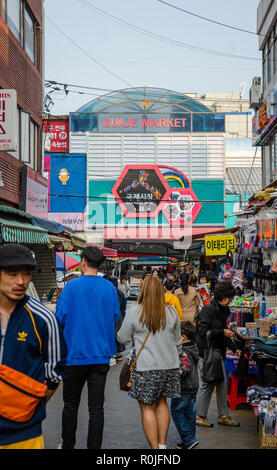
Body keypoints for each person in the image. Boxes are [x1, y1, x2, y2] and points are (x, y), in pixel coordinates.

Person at [0, 244, 66, 449]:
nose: (21, 281)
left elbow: (54, 374)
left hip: (24, 435)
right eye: (12, 274)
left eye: (26, 274)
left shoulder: (44, 319)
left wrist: (27, 408)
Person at [55, 246, 120, 449]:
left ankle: (68, 445)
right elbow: (116, 318)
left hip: (74, 355)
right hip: (101, 356)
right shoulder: (109, 288)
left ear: (83, 261)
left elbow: (59, 319)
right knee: (96, 408)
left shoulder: (71, 287)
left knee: (71, 405)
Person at [117, 275, 182, 450]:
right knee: (162, 403)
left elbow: (122, 338)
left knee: (147, 408)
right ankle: (162, 446)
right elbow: (178, 342)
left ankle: (155, 450)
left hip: (146, 368)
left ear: (143, 291)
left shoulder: (134, 312)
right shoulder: (171, 312)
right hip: (170, 366)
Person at [195, 281, 241, 428]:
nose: (231, 301)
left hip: (218, 351)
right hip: (207, 352)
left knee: (221, 383)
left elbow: (224, 330)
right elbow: (202, 332)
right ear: (225, 297)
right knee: (208, 383)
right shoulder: (208, 310)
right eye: (230, 298)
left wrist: (233, 347)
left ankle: (223, 415)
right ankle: (199, 416)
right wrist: (221, 332)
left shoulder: (224, 310)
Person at [171, 321, 200, 450]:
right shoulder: (193, 347)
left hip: (184, 387)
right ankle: (188, 439)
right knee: (190, 413)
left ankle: (189, 439)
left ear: (183, 337)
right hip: (193, 386)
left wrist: (174, 372)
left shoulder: (183, 351)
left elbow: (184, 368)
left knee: (177, 412)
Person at [104, 274, 126, 364]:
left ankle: (112, 355)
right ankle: (118, 354)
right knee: (117, 334)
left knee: (112, 334)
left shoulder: (110, 292)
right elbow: (123, 306)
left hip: (114, 315)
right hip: (120, 314)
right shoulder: (120, 293)